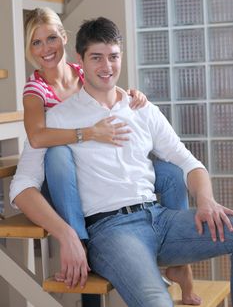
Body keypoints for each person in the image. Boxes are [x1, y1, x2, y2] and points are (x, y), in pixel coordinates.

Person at [10, 16, 223, 306]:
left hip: (160, 218)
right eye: (96, 58)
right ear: (81, 61)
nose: (106, 67)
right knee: (156, 302)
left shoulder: (140, 108)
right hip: (112, 231)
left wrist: (207, 200)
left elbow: (187, 161)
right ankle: (83, 247)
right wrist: (67, 234)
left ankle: (178, 266)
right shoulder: (56, 118)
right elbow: (21, 186)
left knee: (171, 172)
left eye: (113, 57)